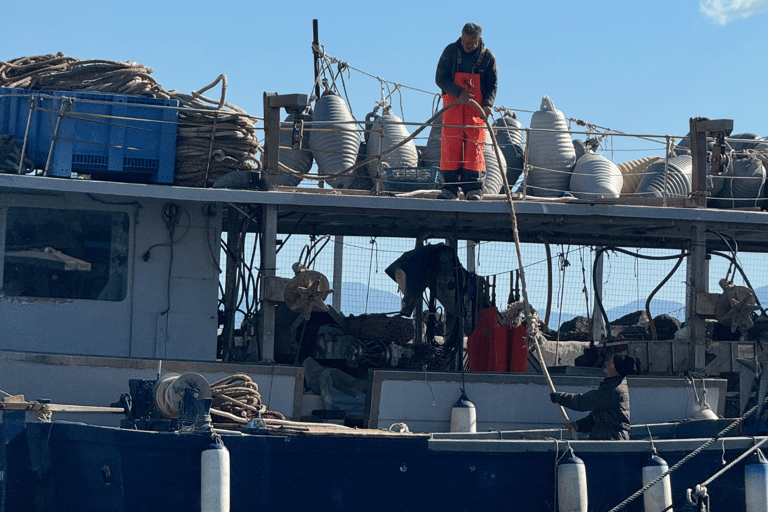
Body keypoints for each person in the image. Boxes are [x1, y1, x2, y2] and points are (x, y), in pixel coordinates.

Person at [435, 22, 498, 201]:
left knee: (474, 146)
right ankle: (450, 188)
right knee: (451, 145)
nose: (466, 45)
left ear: (479, 40)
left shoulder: (488, 58)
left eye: (470, 43)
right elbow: (440, 78)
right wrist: (458, 93)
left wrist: (487, 104)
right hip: (453, 106)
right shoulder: (450, 51)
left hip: (475, 109)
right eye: (463, 41)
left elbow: (492, 85)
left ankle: (474, 189)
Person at [549, 354, 637, 440]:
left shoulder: (611, 390)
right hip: (610, 437)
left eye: (610, 361)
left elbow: (582, 402)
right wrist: (578, 425)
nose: (606, 362)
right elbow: (601, 416)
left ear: (614, 368)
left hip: (611, 439)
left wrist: (559, 397)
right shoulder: (614, 386)